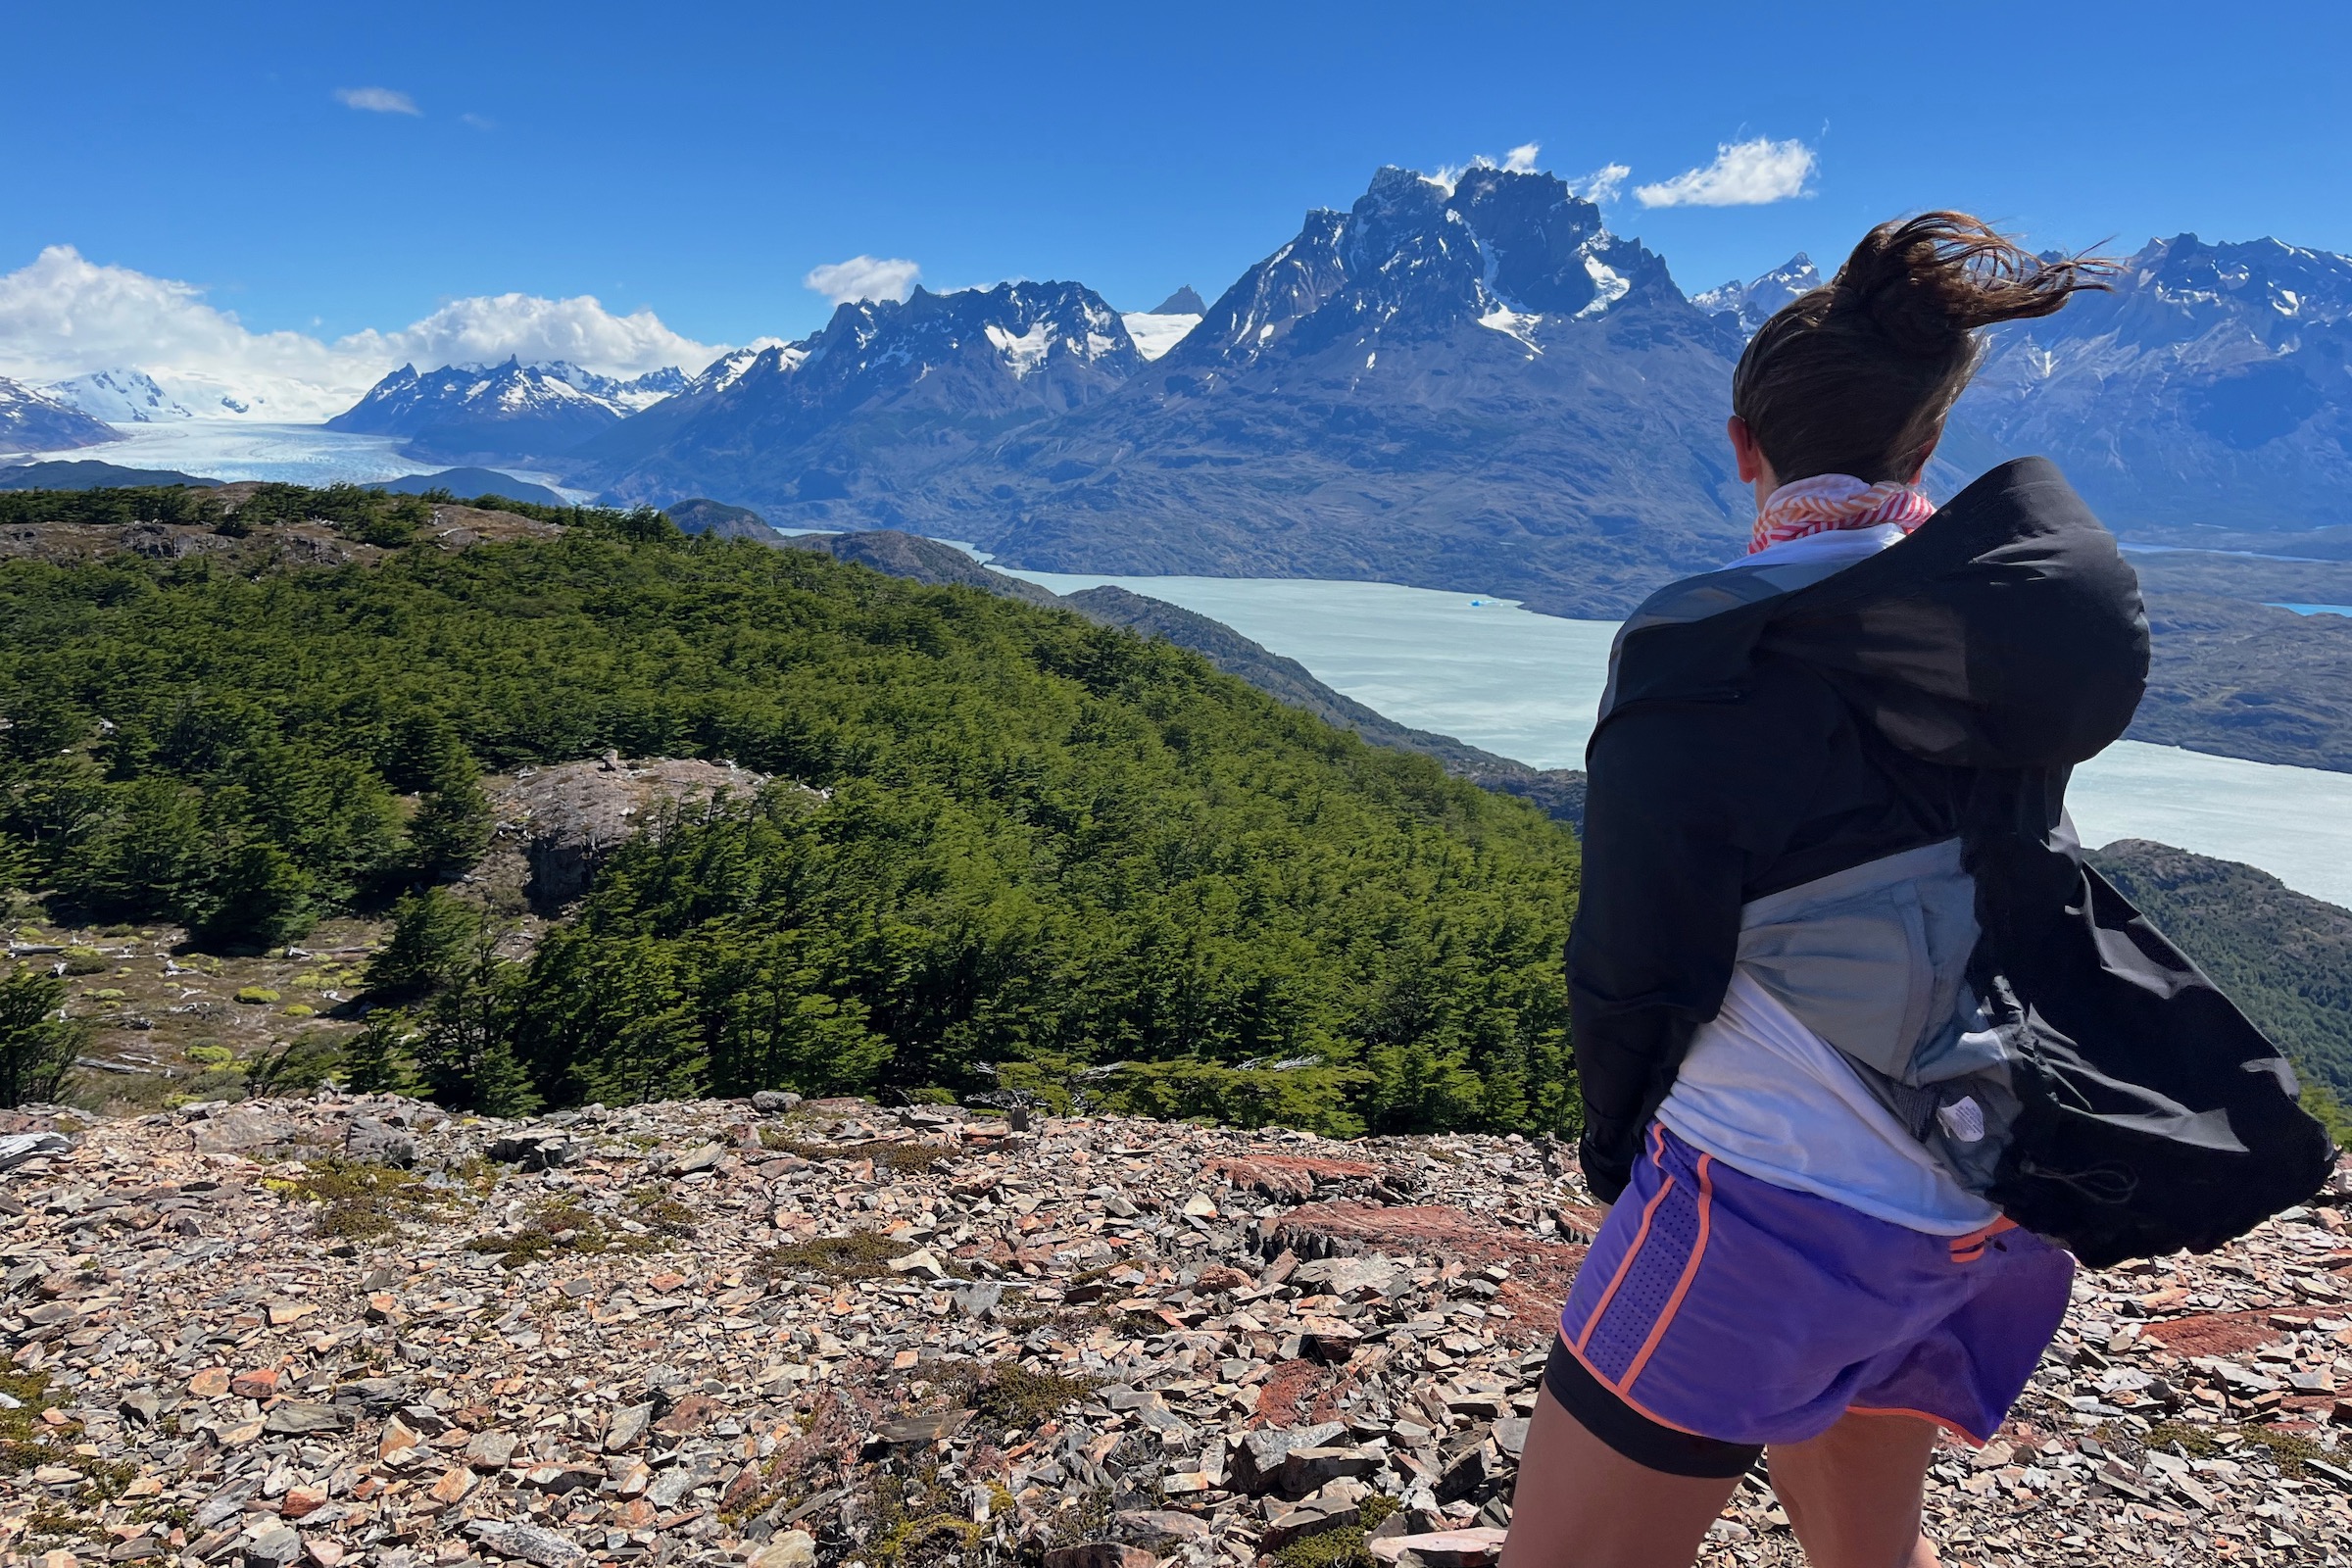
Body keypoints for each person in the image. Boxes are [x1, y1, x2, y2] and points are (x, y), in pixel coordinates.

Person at [1502, 215, 2132, 1568]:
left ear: (1745, 446)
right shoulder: (2000, 633)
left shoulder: (1702, 651)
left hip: (1771, 1199)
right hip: (1980, 1183)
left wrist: (1617, 1151)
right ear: (1927, 444)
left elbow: (1636, 955)